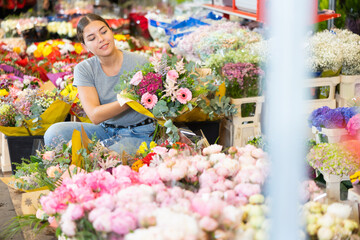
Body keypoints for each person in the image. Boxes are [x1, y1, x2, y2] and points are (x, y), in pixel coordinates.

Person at [44, 13, 155, 154]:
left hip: (139, 132)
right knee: (54, 133)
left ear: (111, 31)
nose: (101, 39)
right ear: (85, 46)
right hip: (105, 130)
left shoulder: (140, 63)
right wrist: (130, 99)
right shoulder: (84, 69)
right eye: (92, 38)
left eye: (104, 32)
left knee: (106, 158)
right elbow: (95, 116)